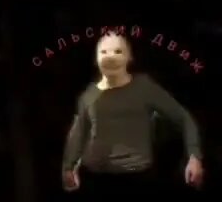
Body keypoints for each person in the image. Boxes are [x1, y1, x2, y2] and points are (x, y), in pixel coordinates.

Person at [61, 32, 204, 198]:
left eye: (118, 51)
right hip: (95, 180)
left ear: (129, 57)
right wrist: (68, 167)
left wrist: (194, 157)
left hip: (137, 180)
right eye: (104, 52)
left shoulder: (144, 87)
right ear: (96, 59)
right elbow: (78, 133)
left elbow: (183, 118)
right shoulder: (88, 95)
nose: (110, 57)